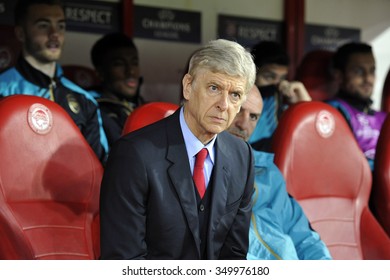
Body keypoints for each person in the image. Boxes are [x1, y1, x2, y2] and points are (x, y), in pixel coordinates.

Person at [99, 39, 256, 259]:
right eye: (214, 88)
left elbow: (235, 254)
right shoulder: (133, 154)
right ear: (188, 87)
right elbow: (124, 260)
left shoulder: (243, 156)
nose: (224, 104)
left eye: (235, 95)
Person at [227, 85, 332, 259]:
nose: (244, 124)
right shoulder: (200, 170)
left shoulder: (268, 173)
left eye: (253, 117)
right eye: (238, 111)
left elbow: (304, 238)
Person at [0, 0, 108, 162]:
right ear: (21, 33)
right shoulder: (3, 90)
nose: (54, 34)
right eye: (43, 25)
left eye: (61, 26)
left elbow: (98, 167)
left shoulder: (85, 100)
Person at [326, 42, 387, 171]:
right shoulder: (333, 112)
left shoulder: (383, 117)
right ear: (339, 75)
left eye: (372, 71)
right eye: (359, 71)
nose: (368, 78)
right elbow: (344, 165)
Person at [248, 41, 312, 152]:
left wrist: (302, 106)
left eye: (282, 79)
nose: (278, 84)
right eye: (269, 77)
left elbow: (311, 142)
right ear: (251, 74)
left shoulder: (285, 110)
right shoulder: (236, 108)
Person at [89, 32, 143, 148]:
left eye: (134, 63)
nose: (131, 71)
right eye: (119, 64)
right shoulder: (91, 110)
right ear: (100, 73)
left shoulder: (146, 107)